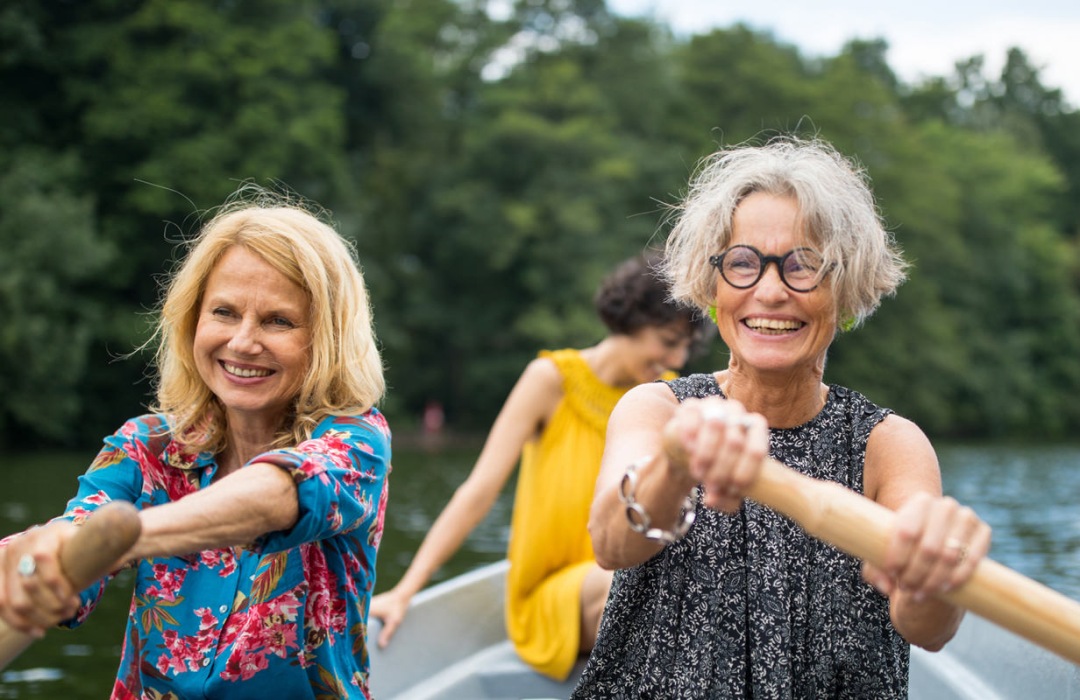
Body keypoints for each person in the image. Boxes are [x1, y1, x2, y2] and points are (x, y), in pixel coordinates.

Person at [573, 137, 992, 698]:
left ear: (845, 289)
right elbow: (610, 543)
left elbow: (931, 629)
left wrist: (931, 578)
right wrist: (676, 463)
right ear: (713, 282)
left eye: (804, 266)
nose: (770, 291)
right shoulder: (657, 408)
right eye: (743, 263)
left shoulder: (889, 445)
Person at [0, 186, 391, 699]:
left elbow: (282, 492)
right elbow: (76, 533)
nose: (243, 341)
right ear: (192, 322)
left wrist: (124, 538)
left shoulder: (356, 439)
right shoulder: (146, 447)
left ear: (327, 340)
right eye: (224, 312)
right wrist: (34, 567)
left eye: (278, 320)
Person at [369, 253, 708, 681]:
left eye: (684, 346)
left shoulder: (661, 397)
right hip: (552, 594)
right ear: (631, 319)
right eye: (667, 339)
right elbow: (479, 491)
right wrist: (405, 590)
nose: (675, 356)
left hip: (623, 568)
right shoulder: (550, 379)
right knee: (633, 586)